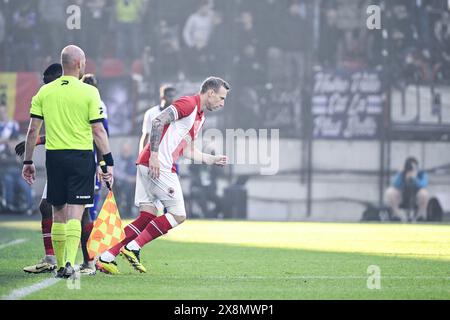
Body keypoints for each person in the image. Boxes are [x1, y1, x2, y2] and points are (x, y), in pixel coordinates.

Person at [96, 76, 229, 274]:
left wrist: (211, 159)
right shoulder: (188, 103)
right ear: (210, 93)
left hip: (148, 163)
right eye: (221, 98)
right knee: (178, 215)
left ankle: (106, 257)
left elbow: (187, 149)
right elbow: (158, 121)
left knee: (147, 216)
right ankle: (133, 247)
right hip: (158, 165)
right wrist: (155, 156)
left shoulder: (200, 117)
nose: (222, 103)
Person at [21, 45, 114, 279]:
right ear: (80, 64)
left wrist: (28, 161)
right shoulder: (89, 92)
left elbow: (33, 130)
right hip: (81, 157)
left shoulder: (44, 92)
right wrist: (107, 164)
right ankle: (72, 263)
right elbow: (98, 131)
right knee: (76, 212)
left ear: (62, 64)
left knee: (58, 213)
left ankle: (61, 265)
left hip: (55, 157)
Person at [0, 104, 33, 214]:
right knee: (8, 181)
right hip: (5, 172)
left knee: (24, 183)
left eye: (4, 112)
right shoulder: (3, 151)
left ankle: (30, 207)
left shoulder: (16, 149)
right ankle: (8, 206)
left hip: (17, 172)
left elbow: (22, 161)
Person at [385, 157, 429, 222]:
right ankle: (397, 215)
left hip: (416, 197)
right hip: (402, 196)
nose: (411, 170)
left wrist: (415, 179)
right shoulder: (401, 173)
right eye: (409, 168)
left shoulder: (421, 174)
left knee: (424, 193)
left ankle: (420, 216)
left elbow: (424, 184)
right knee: (390, 191)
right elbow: (395, 184)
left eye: (413, 168)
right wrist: (403, 176)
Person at [139, 85, 176, 153]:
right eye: (169, 96)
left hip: (169, 153)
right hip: (154, 153)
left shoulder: (176, 114)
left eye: (173, 96)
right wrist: (141, 156)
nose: (172, 99)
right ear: (162, 97)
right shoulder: (151, 113)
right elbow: (146, 135)